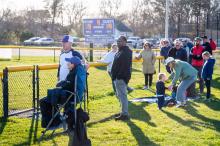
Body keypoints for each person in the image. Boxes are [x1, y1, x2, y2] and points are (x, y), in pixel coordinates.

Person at [40, 56, 86, 128]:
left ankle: (55, 122)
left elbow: (68, 85)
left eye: (69, 62)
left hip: (70, 96)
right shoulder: (79, 70)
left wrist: (61, 83)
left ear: (73, 64)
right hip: (75, 96)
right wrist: (62, 83)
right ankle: (56, 121)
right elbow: (68, 84)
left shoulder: (74, 73)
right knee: (48, 99)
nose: (67, 64)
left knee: (44, 101)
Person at [111, 36, 132, 121]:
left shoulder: (126, 52)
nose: (118, 42)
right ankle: (123, 112)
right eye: (117, 41)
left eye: (120, 41)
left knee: (122, 96)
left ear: (124, 42)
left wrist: (118, 76)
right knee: (120, 96)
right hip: (118, 77)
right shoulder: (120, 51)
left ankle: (125, 114)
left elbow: (125, 66)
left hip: (121, 78)